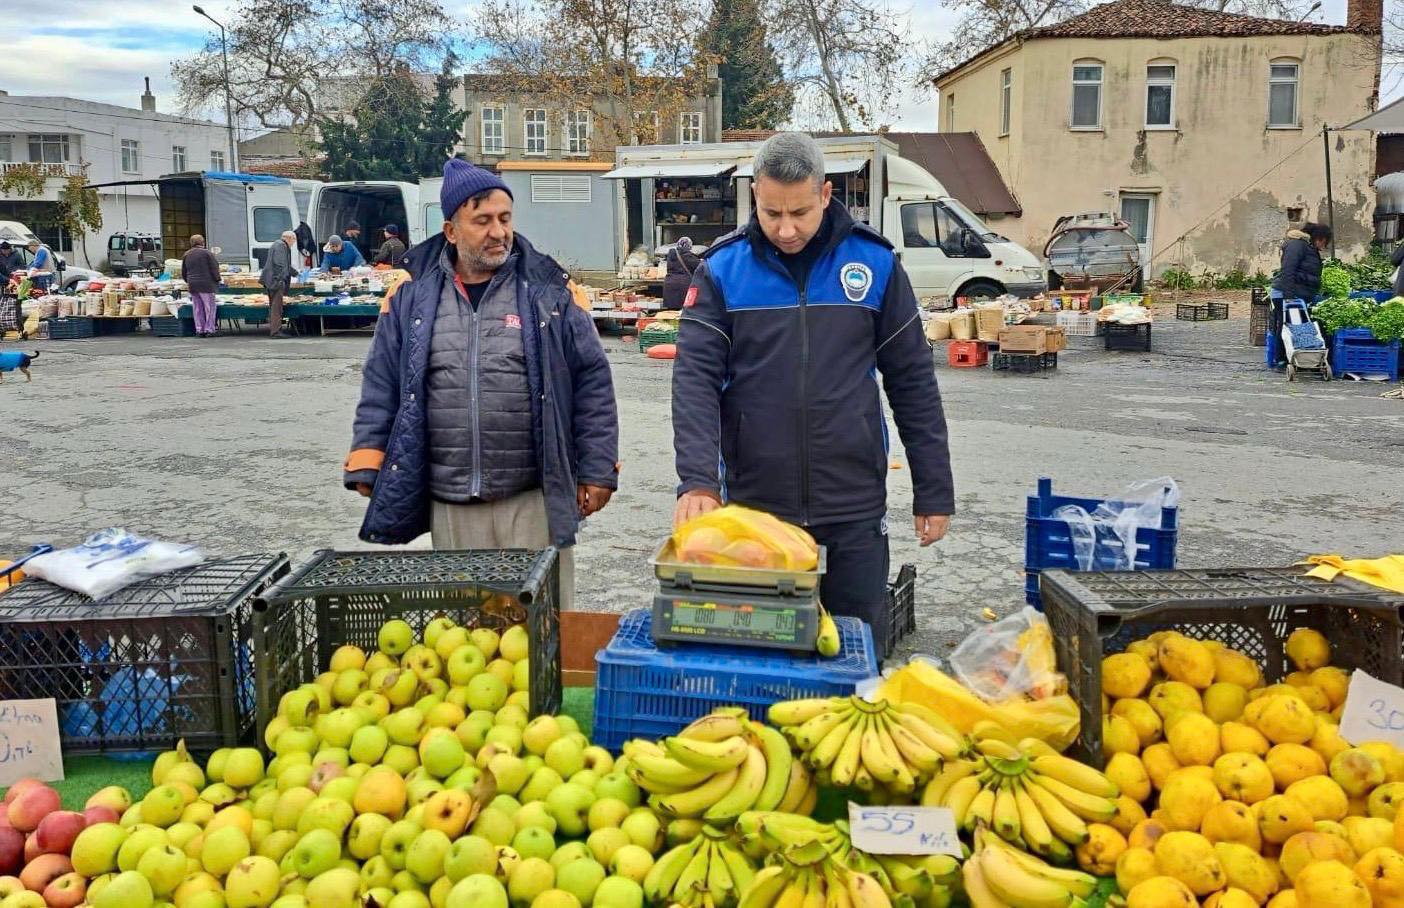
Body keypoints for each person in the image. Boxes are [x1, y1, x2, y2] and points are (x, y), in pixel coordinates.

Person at [671, 132, 954, 658]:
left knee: (853, 653)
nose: (785, 229)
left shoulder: (876, 266)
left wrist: (933, 488)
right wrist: (697, 480)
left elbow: (912, 380)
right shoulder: (723, 270)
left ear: (826, 194)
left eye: (799, 212)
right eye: (771, 211)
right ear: (754, 193)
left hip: (853, 504)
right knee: (762, 657)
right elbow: (694, 382)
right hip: (757, 507)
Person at [342, 159, 620, 608]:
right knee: (467, 627)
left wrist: (597, 467)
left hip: (532, 495)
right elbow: (382, 382)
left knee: (540, 624)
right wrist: (368, 457)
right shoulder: (410, 293)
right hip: (451, 498)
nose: (498, 232)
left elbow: (592, 382)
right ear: (451, 230)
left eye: (505, 219)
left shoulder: (550, 291)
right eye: (483, 221)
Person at [1270, 222, 1331, 365]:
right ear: (1319, 238)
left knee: (1295, 326)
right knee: (1287, 326)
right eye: (1324, 242)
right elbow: (1288, 271)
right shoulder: (1297, 245)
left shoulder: (1307, 247)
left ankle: (1293, 358)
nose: (1323, 246)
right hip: (1287, 293)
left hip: (1296, 293)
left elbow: (1304, 270)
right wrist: (1289, 296)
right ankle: (1283, 358)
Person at [181, 235, 222, 337]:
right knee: (209, 308)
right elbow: (214, 268)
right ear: (202, 242)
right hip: (206, 284)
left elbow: (184, 271)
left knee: (197, 308)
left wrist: (188, 281)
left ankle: (200, 329)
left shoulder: (187, 254)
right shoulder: (207, 253)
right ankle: (209, 329)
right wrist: (217, 279)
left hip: (193, 285)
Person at [260, 230, 297, 338]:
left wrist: (296, 273)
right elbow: (280, 265)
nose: (293, 244)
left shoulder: (277, 244)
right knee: (277, 307)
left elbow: (285, 265)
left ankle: (276, 329)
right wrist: (280, 280)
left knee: (274, 306)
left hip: (271, 280)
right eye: (293, 241)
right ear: (289, 238)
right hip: (275, 281)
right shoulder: (281, 246)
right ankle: (276, 331)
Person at [662, 236, 701, 310]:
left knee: (672, 313)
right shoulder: (688, 256)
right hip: (683, 287)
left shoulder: (670, 255)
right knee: (684, 311)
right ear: (689, 246)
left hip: (669, 285)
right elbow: (699, 267)